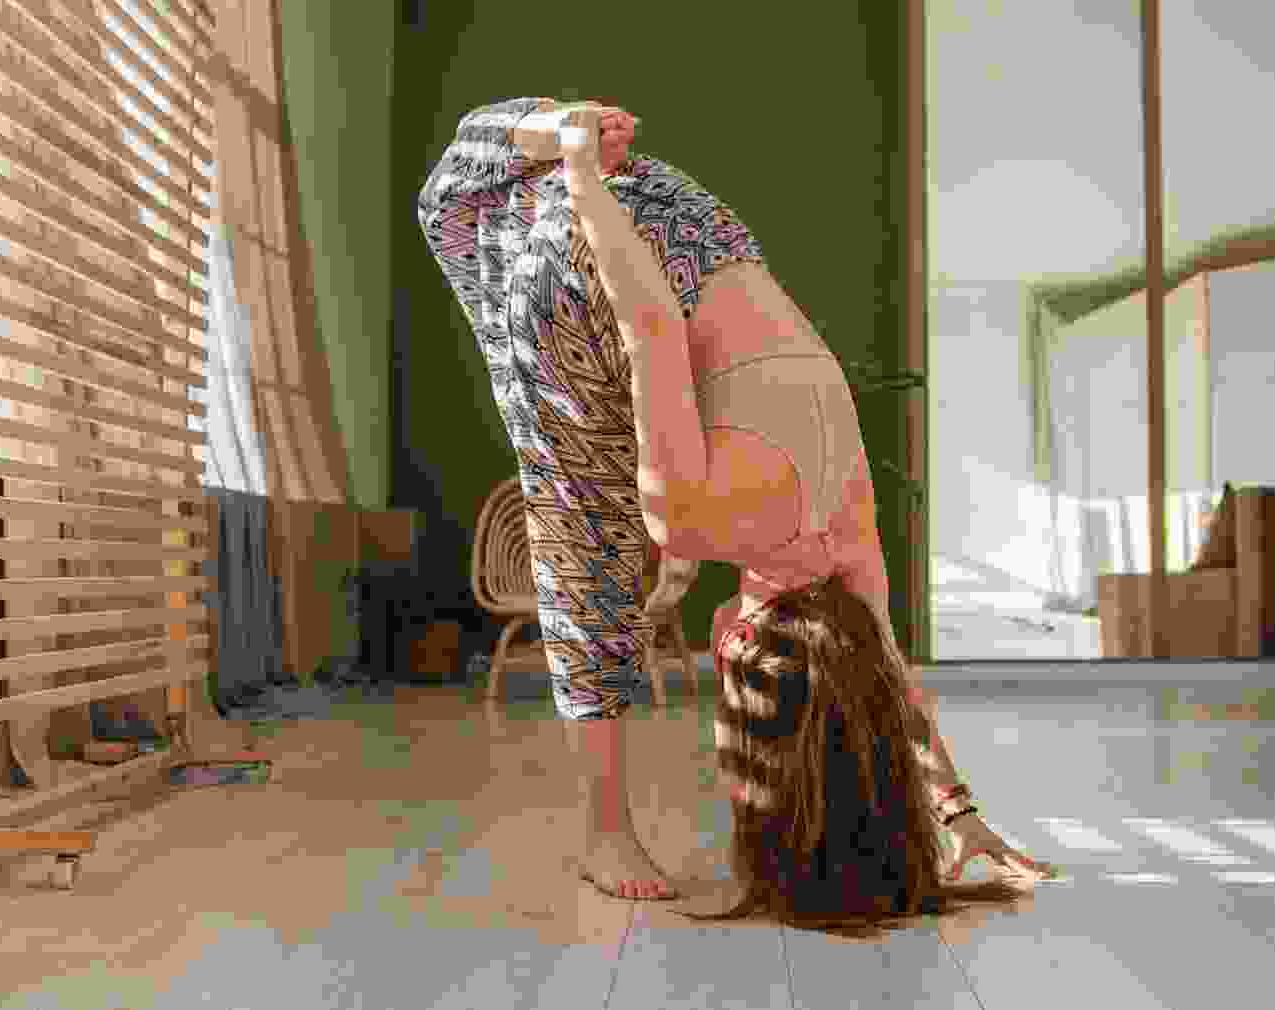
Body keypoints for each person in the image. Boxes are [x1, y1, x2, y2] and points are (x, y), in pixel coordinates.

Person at [418, 98, 1048, 908]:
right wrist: (580, 182)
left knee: (457, 206)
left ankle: (548, 131)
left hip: (695, 228)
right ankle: (604, 832)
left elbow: (886, 675)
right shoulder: (694, 517)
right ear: (734, 642)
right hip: (596, 269)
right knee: (585, 543)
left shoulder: (845, 536)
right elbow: (648, 324)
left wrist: (958, 812)